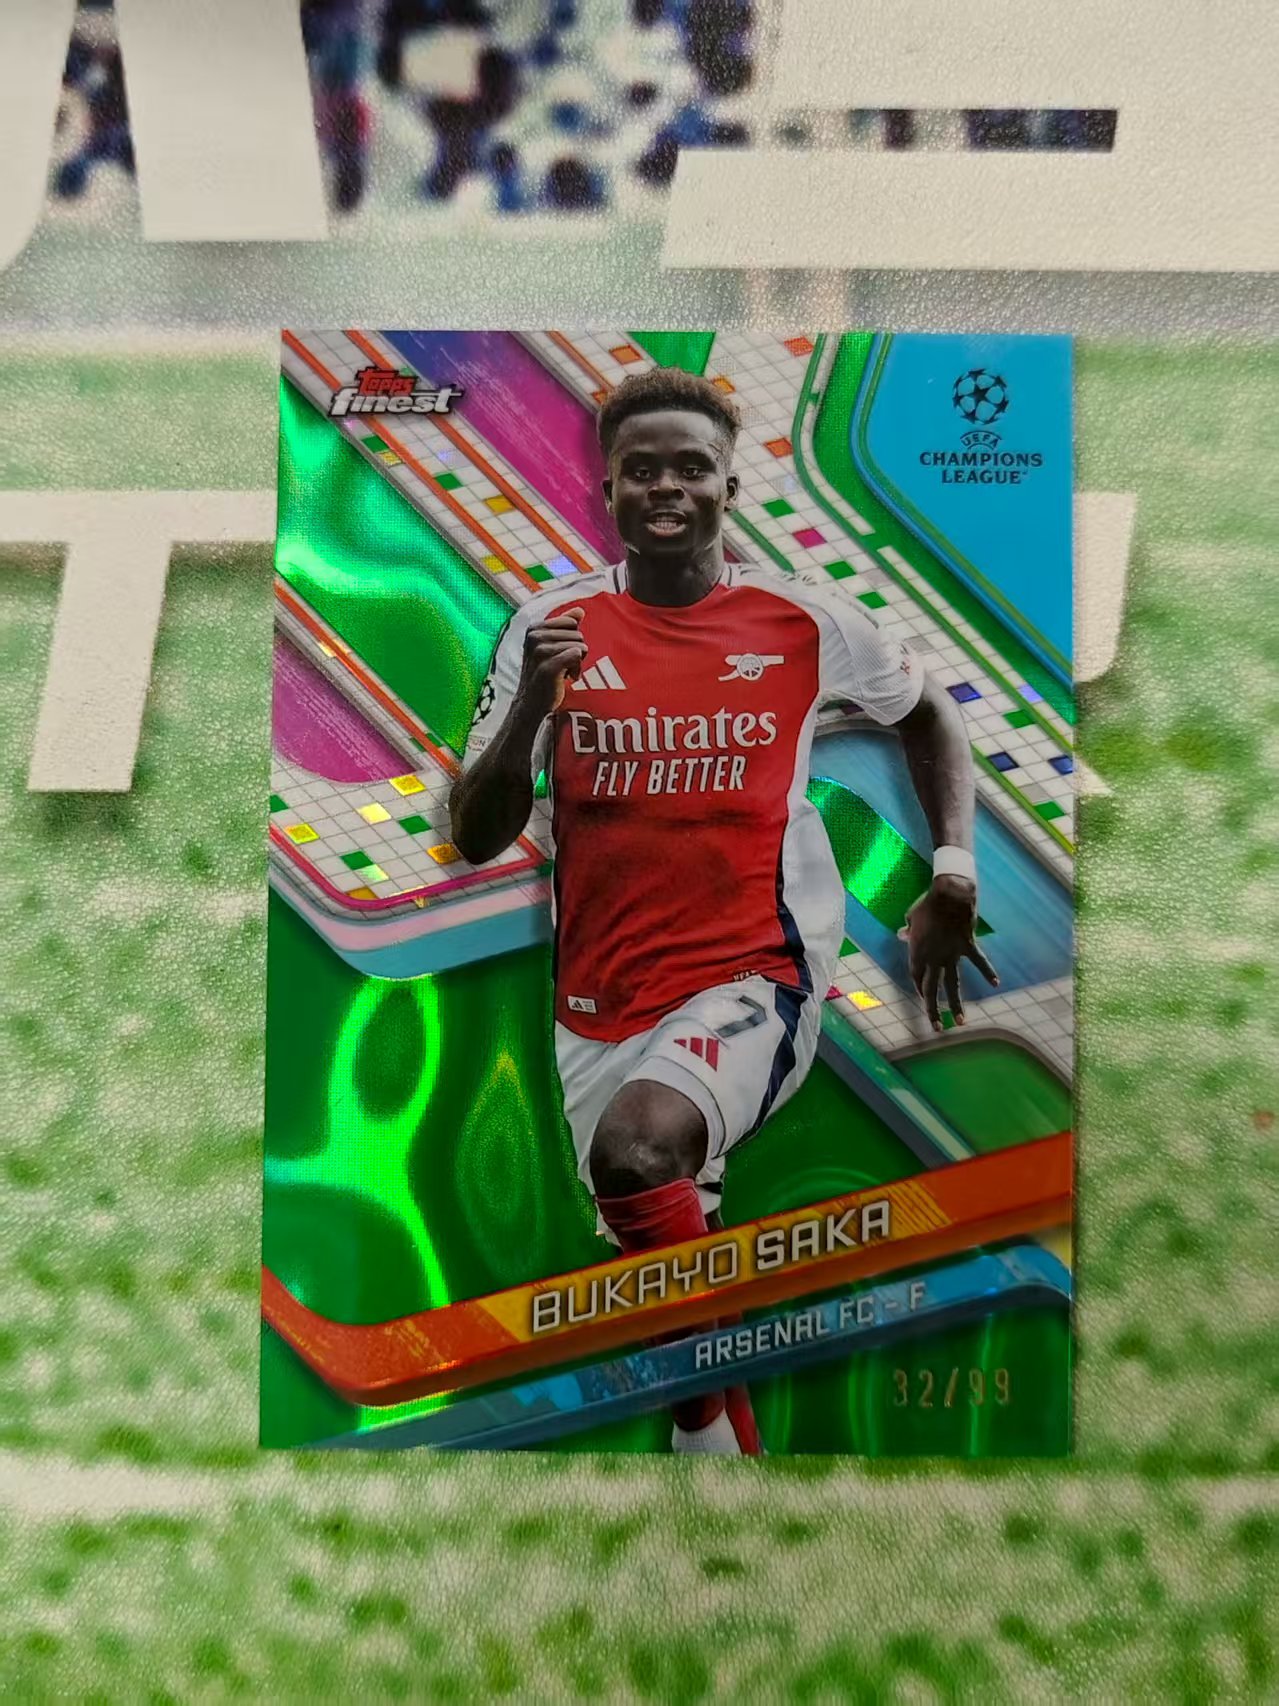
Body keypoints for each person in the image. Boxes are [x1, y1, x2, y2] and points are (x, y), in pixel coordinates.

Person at [450, 367, 997, 1454]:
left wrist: (952, 874)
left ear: (728, 487)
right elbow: (475, 833)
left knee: (639, 1150)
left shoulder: (801, 620)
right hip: (596, 999)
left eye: (690, 468)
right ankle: (716, 1451)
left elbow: (928, 713)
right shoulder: (546, 627)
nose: (667, 486)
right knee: (661, 1276)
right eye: (642, 469)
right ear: (609, 489)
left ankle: (713, 1436)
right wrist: (529, 712)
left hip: (757, 971)